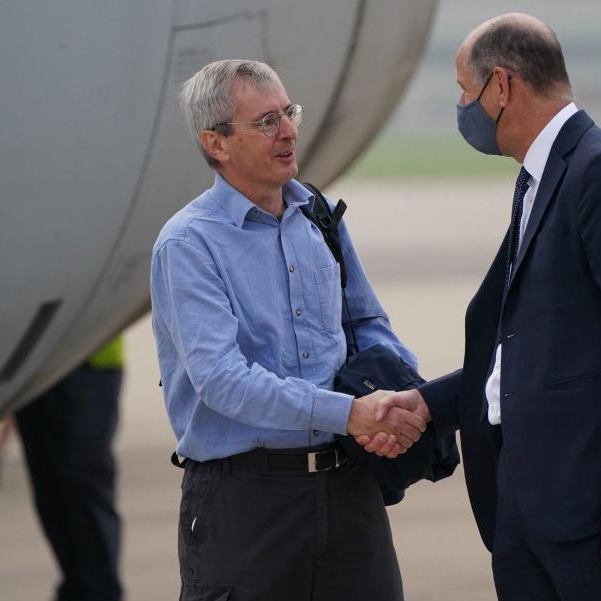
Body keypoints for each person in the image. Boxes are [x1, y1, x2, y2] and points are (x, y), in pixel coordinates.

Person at [367, 13, 601, 601]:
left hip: (594, 512)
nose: (462, 107)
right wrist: (426, 403)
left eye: (464, 92)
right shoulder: (539, 180)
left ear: (502, 87)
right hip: (524, 508)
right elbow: (520, 346)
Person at [150, 59, 426, 601]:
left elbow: (366, 323)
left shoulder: (318, 215)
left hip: (350, 491)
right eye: (266, 121)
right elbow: (222, 380)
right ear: (218, 143)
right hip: (245, 503)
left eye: (289, 112)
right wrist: (348, 413)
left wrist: (393, 395)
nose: (290, 131)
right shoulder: (188, 245)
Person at [14, 336, 125, 601]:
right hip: (35, 361)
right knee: (53, 494)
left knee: (81, 488)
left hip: (87, 357)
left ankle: (97, 591)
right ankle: (82, 588)